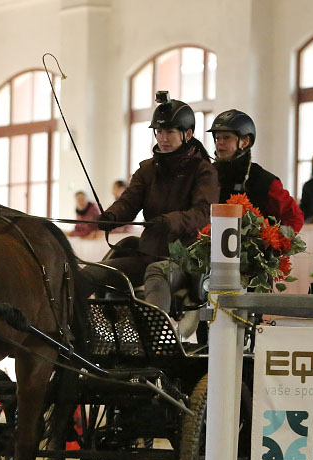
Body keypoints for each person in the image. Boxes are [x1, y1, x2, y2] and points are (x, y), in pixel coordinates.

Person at [141, 109, 304, 316]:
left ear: (244, 142)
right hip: (205, 260)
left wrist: (270, 245)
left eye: (226, 138)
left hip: (247, 269)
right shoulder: (206, 174)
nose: (219, 143)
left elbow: (294, 217)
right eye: (217, 138)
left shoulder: (263, 180)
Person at [87, 91, 218, 304]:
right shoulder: (147, 169)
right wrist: (110, 217)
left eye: (170, 132)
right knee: (91, 273)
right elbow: (128, 202)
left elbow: (204, 213)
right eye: (158, 132)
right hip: (147, 254)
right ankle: (71, 330)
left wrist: (170, 221)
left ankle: (157, 335)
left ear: (188, 133)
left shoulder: (204, 171)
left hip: (184, 259)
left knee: (157, 274)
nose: (163, 138)